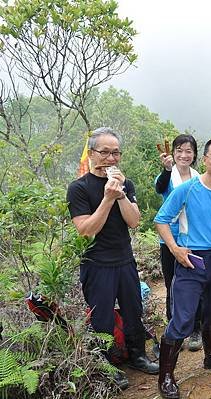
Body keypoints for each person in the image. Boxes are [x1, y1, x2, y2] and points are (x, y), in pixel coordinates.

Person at [154, 137, 211, 399]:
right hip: (191, 258)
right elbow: (161, 220)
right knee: (183, 317)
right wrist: (174, 248)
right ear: (204, 159)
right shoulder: (188, 188)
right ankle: (166, 377)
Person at [66, 127, 159, 390]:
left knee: (133, 312)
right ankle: (105, 367)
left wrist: (120, 195)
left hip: (125, 259)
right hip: (96, 264)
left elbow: (134, 221)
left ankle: (137, 355)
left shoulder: (126, 184)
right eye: (104, 152)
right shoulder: (79, 189)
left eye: (115, 152)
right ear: (92, 153)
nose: (111, 158)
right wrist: (107, 198)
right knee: (101, 319)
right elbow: (85, 231)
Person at [155, 134, 203, 351]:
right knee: (172, 284)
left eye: (188, 151)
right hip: (170, 240)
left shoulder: (198, 177)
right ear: (173, 154)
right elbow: (160, 187)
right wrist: (166, 169)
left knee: (195, 284)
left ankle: (195, 329)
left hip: (193, 237)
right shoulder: (167, 177)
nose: (184, 155)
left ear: (194, 155)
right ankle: (174, 328)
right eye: (179, 151)